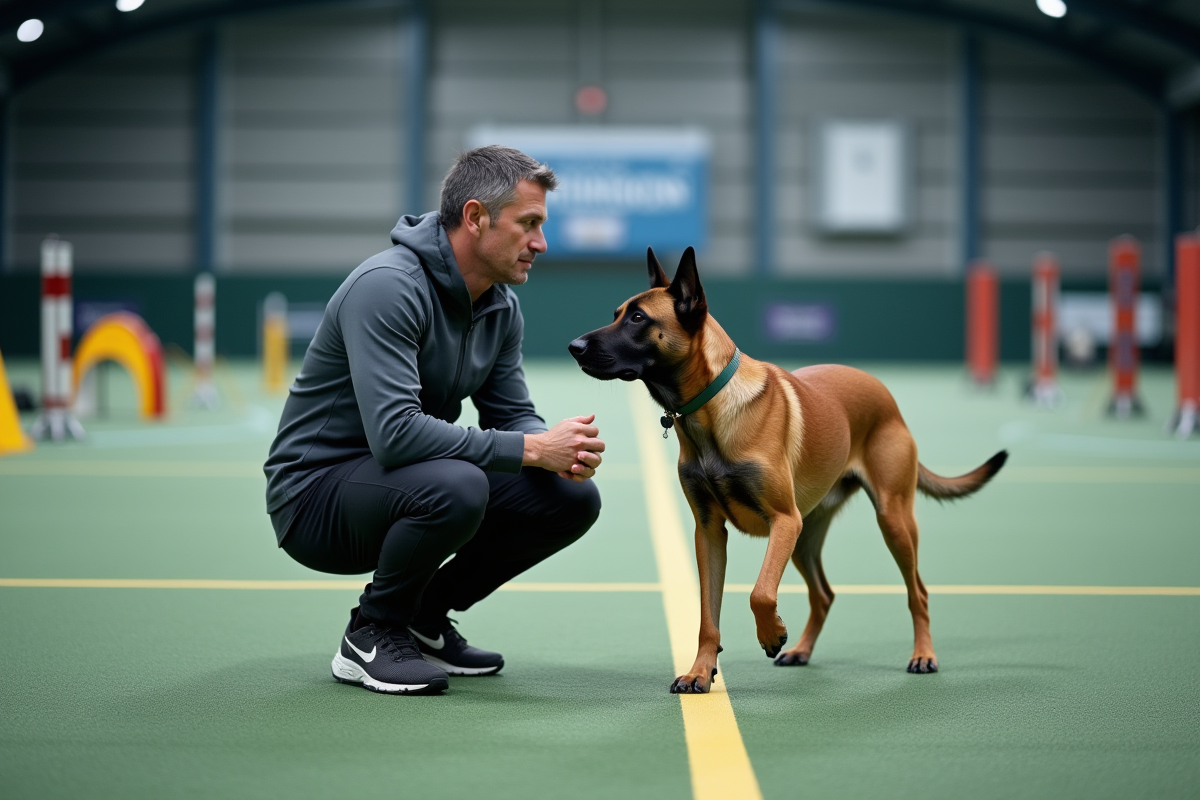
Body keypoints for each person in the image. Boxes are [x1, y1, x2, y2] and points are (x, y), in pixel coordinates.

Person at [264, 146, 604, 696]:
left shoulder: (498, 305)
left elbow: (510, 413)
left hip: (403, 480)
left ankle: (422, 619)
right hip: (314, 498)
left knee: (568, 501)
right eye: (529, 224)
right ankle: (371, 633)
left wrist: (556, 451)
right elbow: (396, 434)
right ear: (475, 218)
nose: (540, 243)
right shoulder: (387, 286)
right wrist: (533, 450)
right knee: (458, 484)